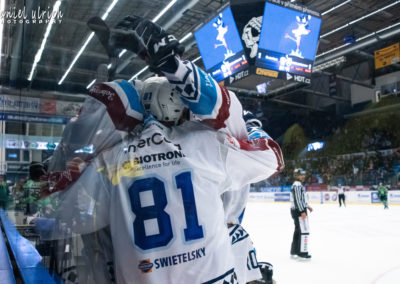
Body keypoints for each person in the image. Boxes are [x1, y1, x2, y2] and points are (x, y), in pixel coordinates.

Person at [43, 15, 283, 284]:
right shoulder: (206, 145)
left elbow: (67, 217)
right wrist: (250, 125)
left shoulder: (112, 162)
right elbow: (270, 157)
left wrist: (60, 170)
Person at [290, 168, 313, 260]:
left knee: (298, 230)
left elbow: (301, 199)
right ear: (296, 176)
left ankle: (294, 251)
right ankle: (302, 253)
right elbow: (298, 200)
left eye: (303, 174)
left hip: (298, 209)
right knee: (303, 230)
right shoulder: (297, 185)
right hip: (298, 210)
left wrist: (307, 206)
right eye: (301, 175)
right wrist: (302, 211)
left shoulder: (298, 185)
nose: (303, 176)